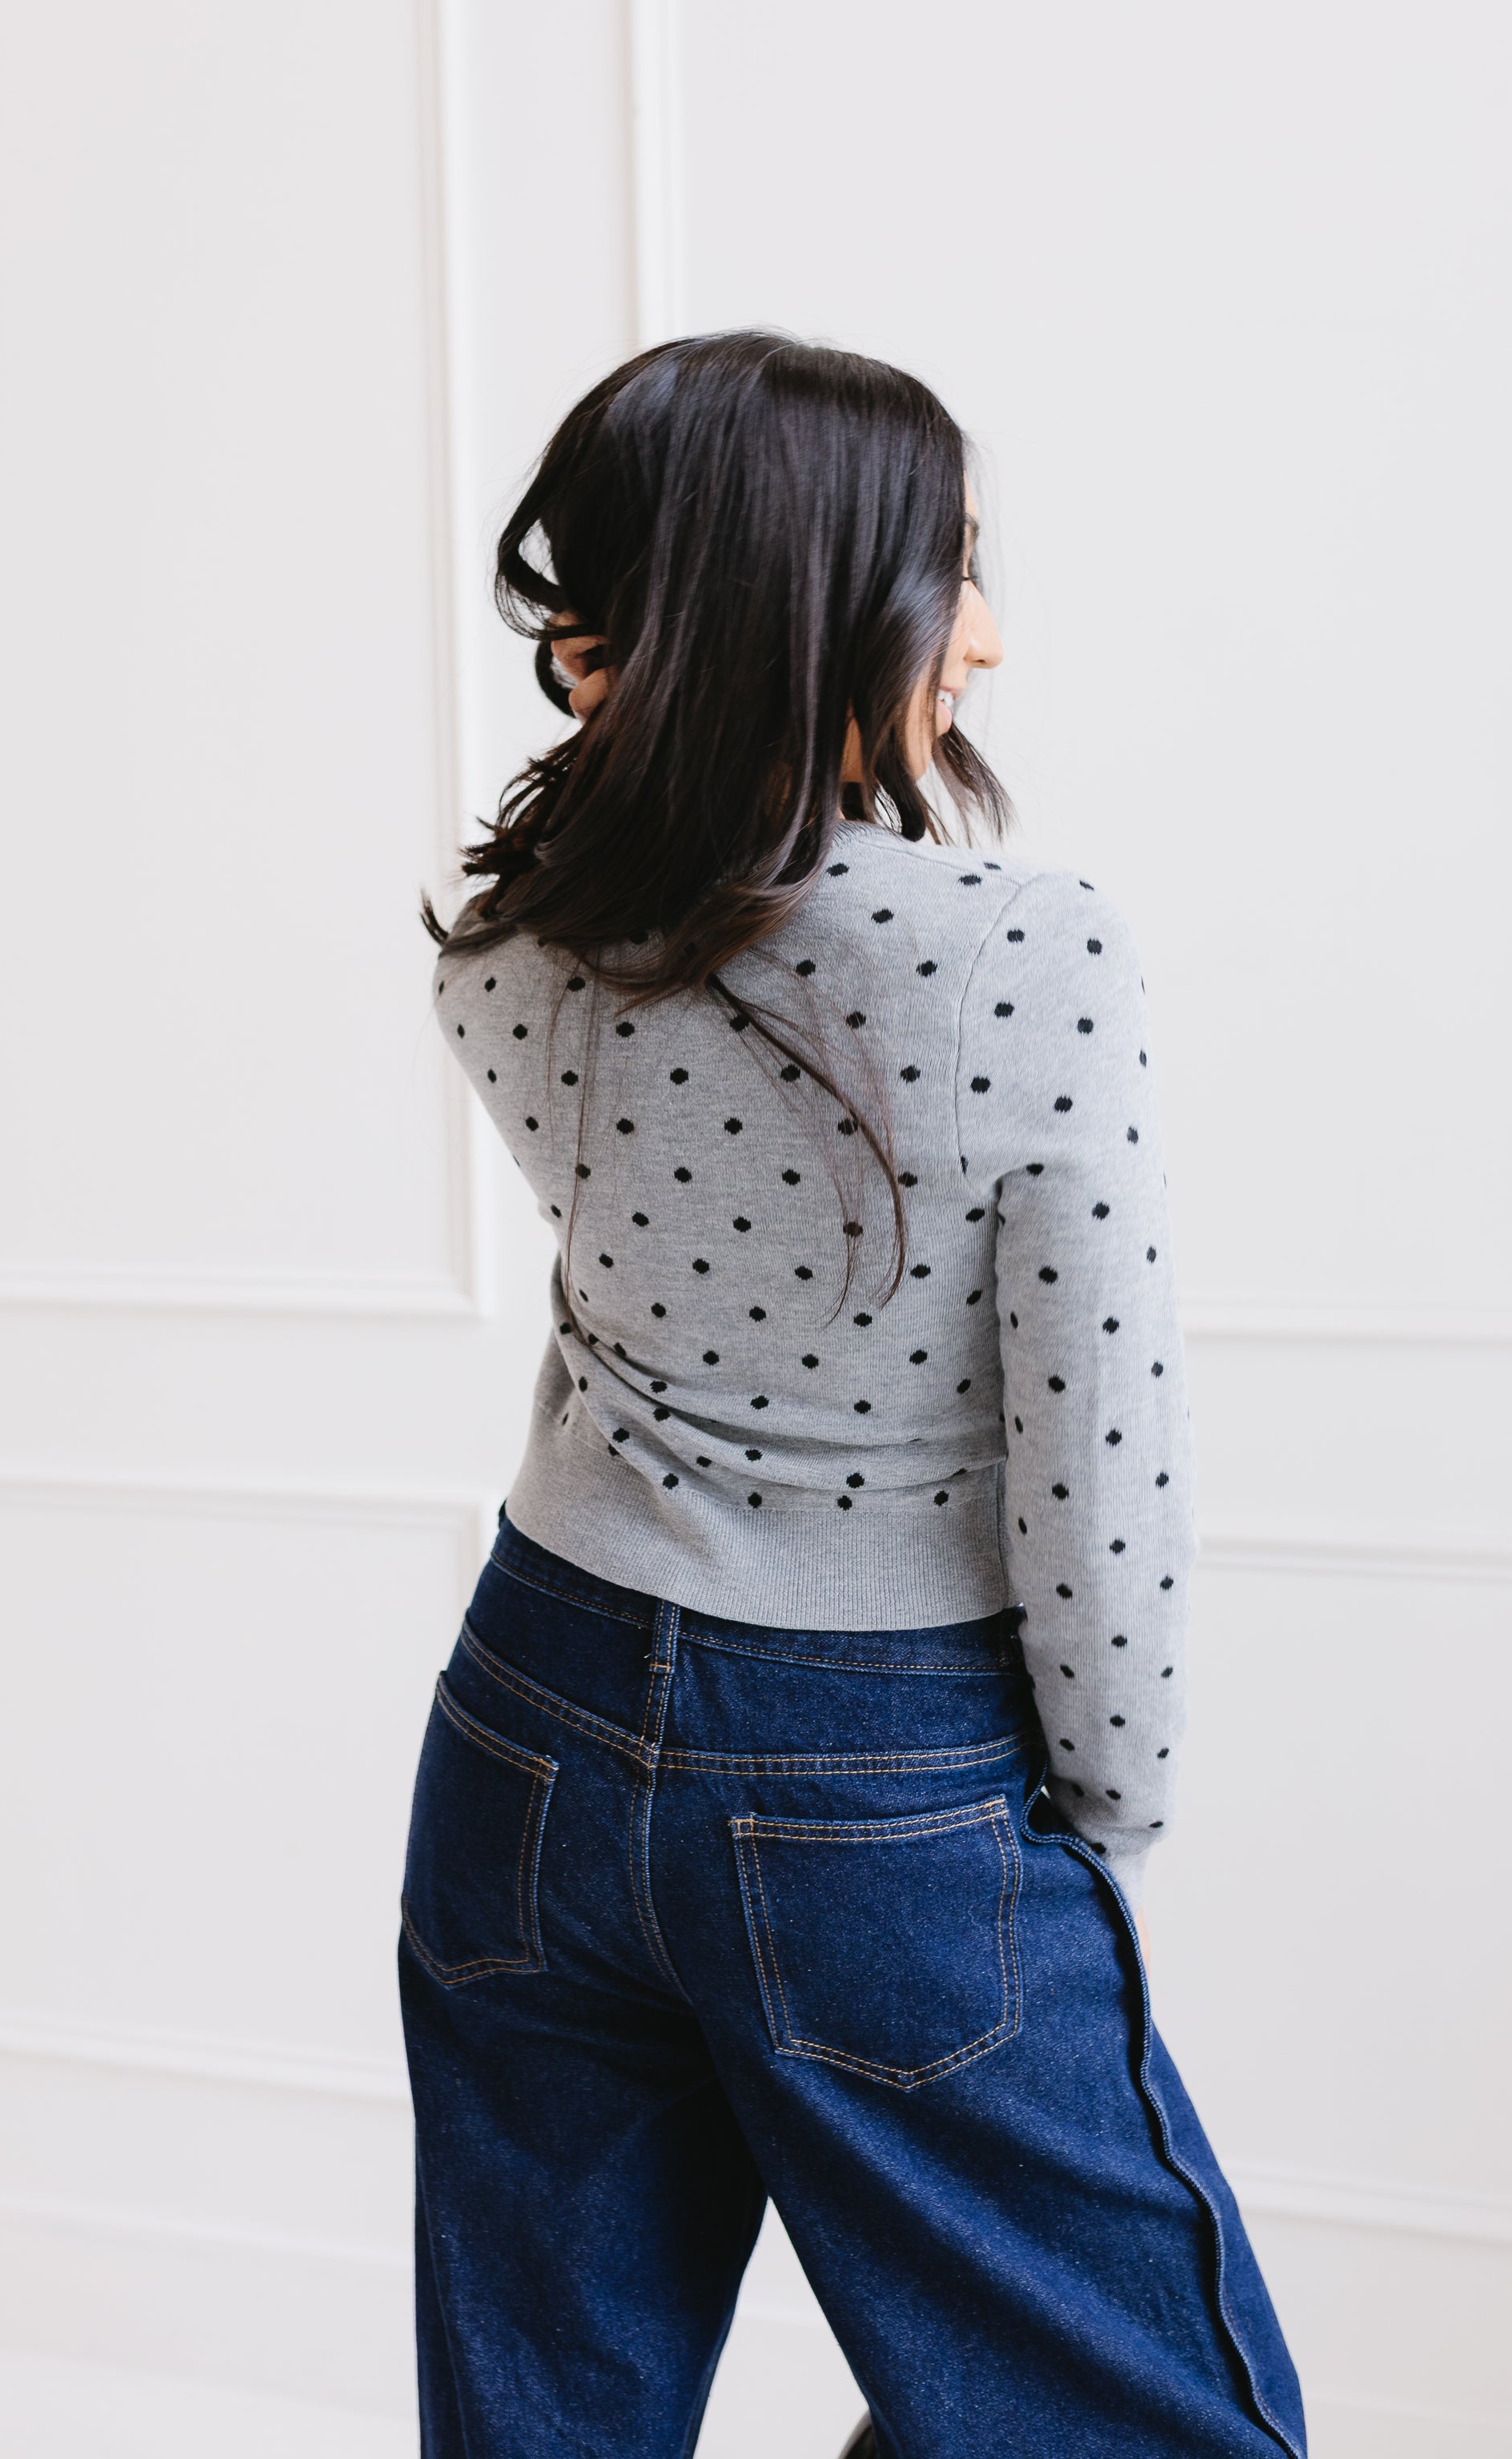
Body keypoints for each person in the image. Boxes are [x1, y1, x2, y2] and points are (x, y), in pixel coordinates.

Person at [402, 331, 1305, 2457]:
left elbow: (632, 1309)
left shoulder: (510, 943)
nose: (985, 637)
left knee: (545, 2408)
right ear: (811, 597)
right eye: (953, 570)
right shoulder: (1022, 949)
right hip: (878, 1772)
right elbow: (1099, 1454)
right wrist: (1103, 1820)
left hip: (527, 1719)